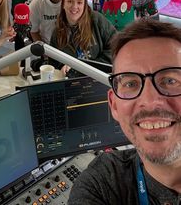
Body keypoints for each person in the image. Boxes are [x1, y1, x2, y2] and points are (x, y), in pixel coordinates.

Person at [68, 19, 181, 204]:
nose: (151, 102)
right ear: (113, 105)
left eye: (170, 80)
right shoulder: (101, 185)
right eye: (131, 84)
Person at [49, 0, 116, 75]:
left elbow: (116, 45)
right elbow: (53, 62)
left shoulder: (97, 20)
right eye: (70, 2)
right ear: (63, 5)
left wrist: (93, 67)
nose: (74, 6)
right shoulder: (57, 32)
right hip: (72, 81)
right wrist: (62, 67)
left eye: (79, 3)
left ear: (85, 6)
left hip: (99, 76)